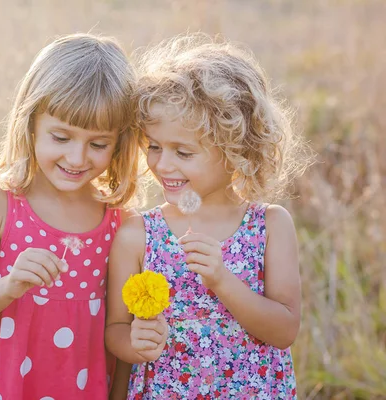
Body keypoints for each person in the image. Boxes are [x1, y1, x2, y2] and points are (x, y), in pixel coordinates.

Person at [106, 34, 311, 399]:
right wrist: (136, 343)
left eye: (183, 152)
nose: (162, 164)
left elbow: (284, 330)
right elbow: (116, 331)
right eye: (153, 146)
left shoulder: (270, 226)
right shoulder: (138, 233)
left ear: (236, 150)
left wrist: (221, 279)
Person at [0, 33, 145, 400]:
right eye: (61, 137)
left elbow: (120, 330)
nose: (77, 157)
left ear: (120, 143)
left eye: (98, 143)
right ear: (32, 123)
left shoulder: (119, 223)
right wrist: (8, 287)